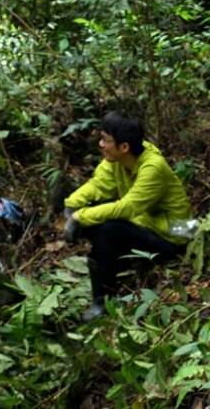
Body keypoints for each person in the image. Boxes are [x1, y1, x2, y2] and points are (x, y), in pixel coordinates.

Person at [61, 111, 192, 322]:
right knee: (94, 214)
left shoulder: (153, 167)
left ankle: (102, 302)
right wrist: (72, 204)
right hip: (146, 224)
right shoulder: (116, 160)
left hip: (177, 233)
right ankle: (114, 264)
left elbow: (128, 207)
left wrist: (79, 217)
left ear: (124, 147)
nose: (101, 145)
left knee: (107, 227)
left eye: (106, 140)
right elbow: (98, 185)